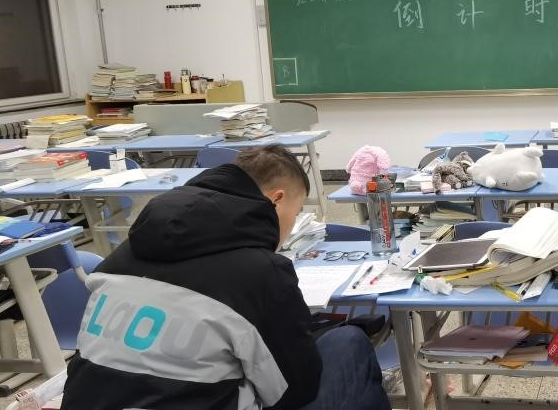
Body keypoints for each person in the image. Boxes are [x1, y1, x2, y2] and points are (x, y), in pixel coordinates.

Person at [63, 145, 386, 410]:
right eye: (297, 212)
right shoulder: (261, 273)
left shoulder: (120, 257)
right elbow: (294, 392)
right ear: (276, 200)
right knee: (348, 344)